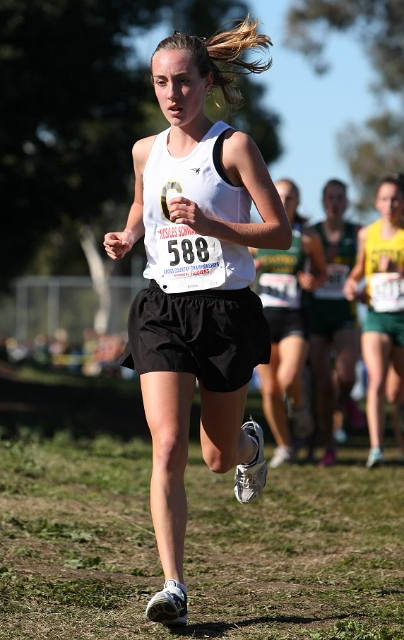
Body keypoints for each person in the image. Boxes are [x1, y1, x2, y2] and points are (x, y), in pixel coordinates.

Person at [103, 17, 291, 628]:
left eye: (183, 82)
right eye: (161, 83)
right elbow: (140, 199)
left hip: (225, 310)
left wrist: (211, 225)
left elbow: (280, 231)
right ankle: (174, 586)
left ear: (206, 82)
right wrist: (130, 234)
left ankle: (249, 444)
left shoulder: (232, 147)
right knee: (165, 445)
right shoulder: (144, 150)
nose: (172, 94)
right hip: (162, 306)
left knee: (215, 454)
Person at [252, 179, 326, 468]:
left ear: (297, 203)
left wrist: (313, 281)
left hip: (295, 316)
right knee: (270, 390)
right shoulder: (257, 235)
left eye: (290, 198)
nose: (284, 202)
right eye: (279, 196)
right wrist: (252, 269)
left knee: (289, 378)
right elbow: (239, 272)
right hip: (264, 318)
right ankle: (285, 446)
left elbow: (321, 272)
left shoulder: (307, 238)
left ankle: (301, 406)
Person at [343, 173, 404, 468]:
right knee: (377, 380)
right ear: (376, 202)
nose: (390, 204)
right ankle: (376, 449)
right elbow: (359, 267)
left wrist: (398, 268)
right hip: (377, 317)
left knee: (397, 391)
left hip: (402, 318)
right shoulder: (368, 234)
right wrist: (352, 283)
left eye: (395, 199)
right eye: (384, 198)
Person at [308, 179, 362, 466]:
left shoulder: (358, 234)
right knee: (323, 387)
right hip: (316, 313)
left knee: (347, 375)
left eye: (340, 197)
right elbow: (296, 266)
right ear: (322, 201)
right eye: (330, 197)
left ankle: (348, 400)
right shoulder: (310, 234)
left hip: (344, 313)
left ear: (347, 202)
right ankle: (329, 444)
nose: (335, 202)